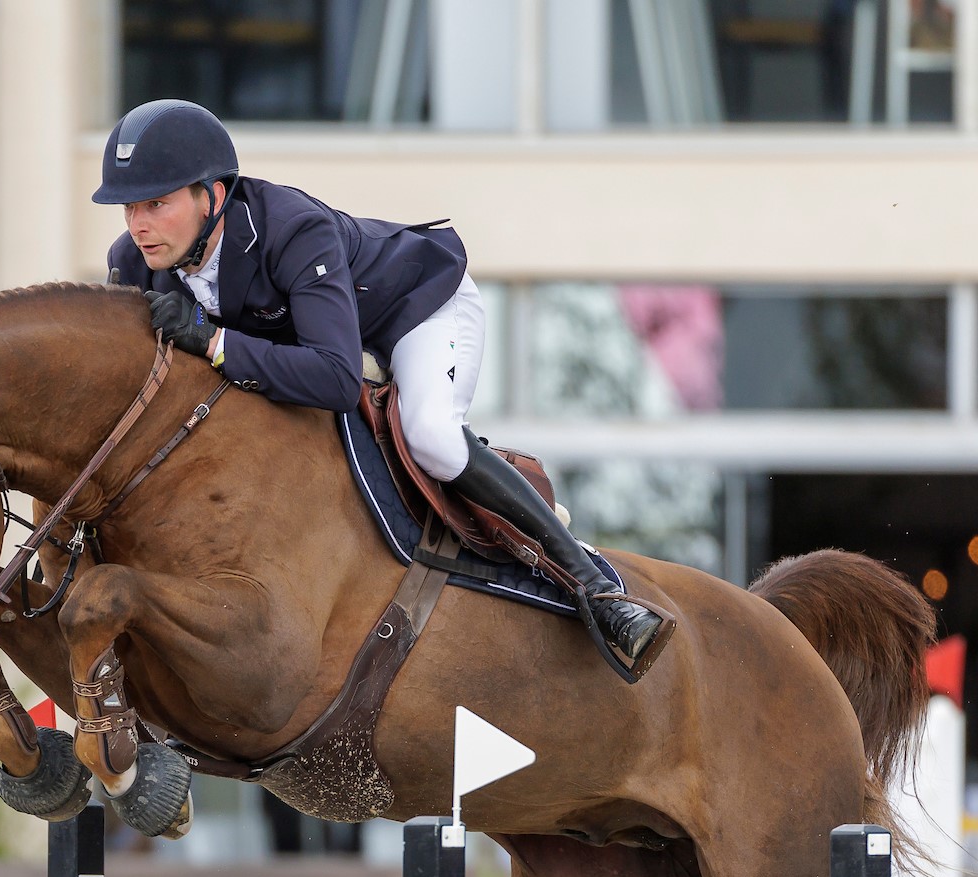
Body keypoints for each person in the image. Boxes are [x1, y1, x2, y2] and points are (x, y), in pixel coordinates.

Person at [92, 99, 661, 664]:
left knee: (431, 435)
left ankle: (596, 588)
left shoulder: (294, 230)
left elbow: (337, 379)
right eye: (129, 208)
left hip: (416, 311)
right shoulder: (134, 261)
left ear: (212, 195)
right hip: (332, 337)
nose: (139, 225)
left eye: (157, 204)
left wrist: (217, 344)